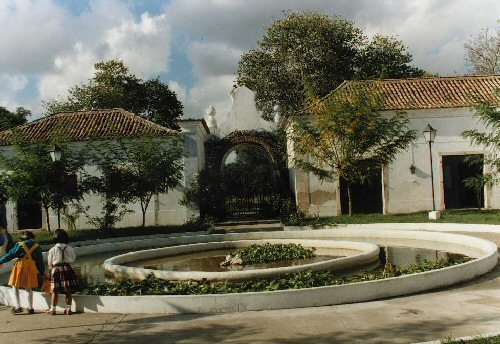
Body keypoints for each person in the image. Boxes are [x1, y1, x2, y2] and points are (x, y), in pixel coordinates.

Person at [0, 231, 45, 314]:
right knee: (29, 287)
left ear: (23, 238)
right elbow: (40, 261)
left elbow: (10, 255)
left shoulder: (20, 244)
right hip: (31, 266)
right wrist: (42, 272)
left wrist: (0, 261)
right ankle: (30, 308)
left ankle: (18, 307)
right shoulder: (37, 246)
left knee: (15, 286)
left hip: (20, 266)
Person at [46, 229, 79, 315]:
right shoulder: (69, 248)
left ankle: (52, 309)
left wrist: (50, 269)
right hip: (67, 268)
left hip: (56, 269)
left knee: (55, 290)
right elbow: (73, 258)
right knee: (68, 290)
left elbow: (50, 262)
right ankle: (68, 309)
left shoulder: (52, 249)